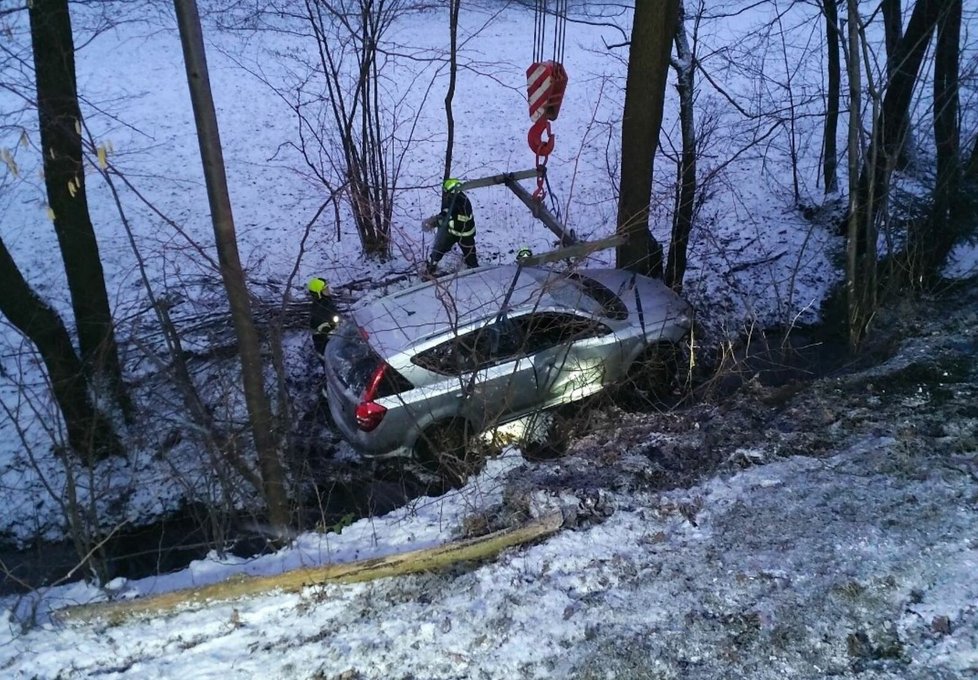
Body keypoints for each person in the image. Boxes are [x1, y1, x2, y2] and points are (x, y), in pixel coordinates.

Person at [424, 178, 478, 276]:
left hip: (464, 234)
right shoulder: (455, 198)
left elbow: (451, 218)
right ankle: (430, 268)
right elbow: (445, 213)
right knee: (439, 249)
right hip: (454, 232)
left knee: (470, 256)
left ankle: (474, 273)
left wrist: (436, 222)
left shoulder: (460, 202)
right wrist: (436, 219)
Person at [307, 276, 341, 354]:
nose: (329, 290)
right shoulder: (319, 310)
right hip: (327, 349)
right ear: (319, 293)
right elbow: (328, 333)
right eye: (325, 289)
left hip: (335, 344)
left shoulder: (326, 302)